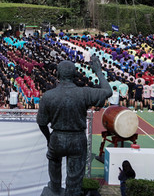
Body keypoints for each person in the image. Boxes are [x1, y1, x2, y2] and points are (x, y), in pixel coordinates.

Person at [37, 56, 112, 196]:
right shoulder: (84, 93)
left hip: (57, 137)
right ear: (74, 74)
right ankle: (72, 191)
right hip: (77, 138)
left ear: (57, 74)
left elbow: (41, 123)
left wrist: (49, 138)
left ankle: (54, 187)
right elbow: (108, 91)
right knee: (75, 180)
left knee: (54, 162)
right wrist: (99, 72)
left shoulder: (48, 96)